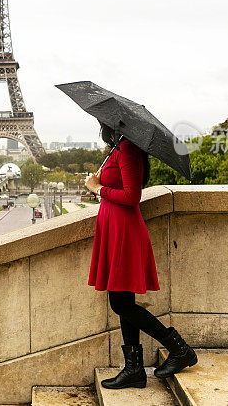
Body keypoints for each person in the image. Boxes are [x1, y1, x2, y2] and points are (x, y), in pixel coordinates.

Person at [84, 123, 197, 389]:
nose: (99, 127)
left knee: (120, 304)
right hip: (114, 229)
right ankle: (134, 370)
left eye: (102, 124)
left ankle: (179, 348)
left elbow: (132, 196)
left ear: (112, 124)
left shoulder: (128, 150)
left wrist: (97, 189)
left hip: (124, 232)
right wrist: (97, 184)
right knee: (124, 301)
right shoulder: (117, 149)